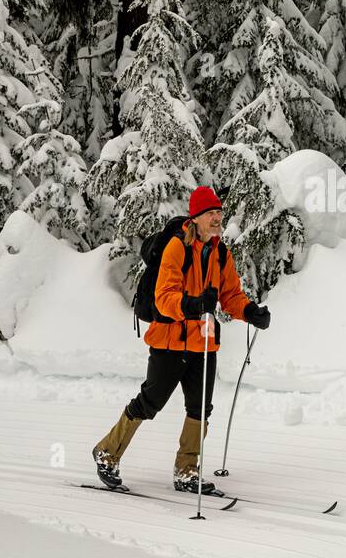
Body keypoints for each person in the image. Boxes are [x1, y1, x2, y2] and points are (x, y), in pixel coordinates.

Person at [92, 187, 271, 494]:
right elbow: (164, 298)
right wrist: (193, 305)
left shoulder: (220, 252)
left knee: (200, 407)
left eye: (218, 213)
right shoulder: (176, 248)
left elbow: (229, 295)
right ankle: (107, 451)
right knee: (151, 401)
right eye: (210, 214)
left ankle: (186, 470)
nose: (217, 218)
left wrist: (250, 311)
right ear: (196, 218)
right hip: (170, 340)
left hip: (204, 342)